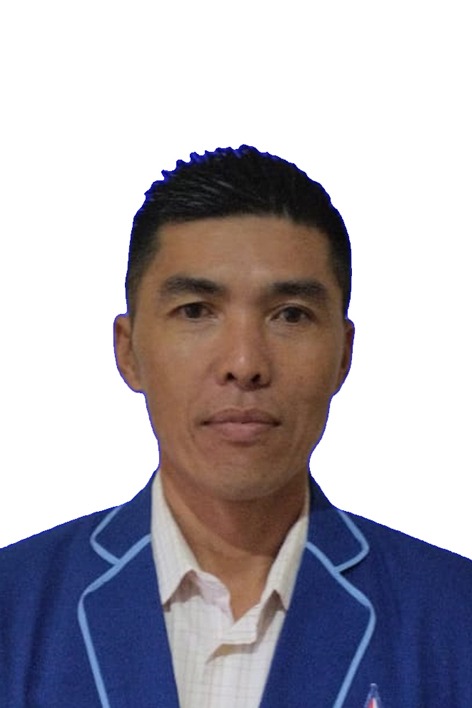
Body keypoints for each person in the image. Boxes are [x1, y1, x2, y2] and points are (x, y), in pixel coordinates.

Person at [0, 146, 471, 708]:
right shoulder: (14, 608)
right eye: (196, 310)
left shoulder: (454, 617)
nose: (244, 363)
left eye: (290, 314)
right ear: (128, 351)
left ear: (344, 355)